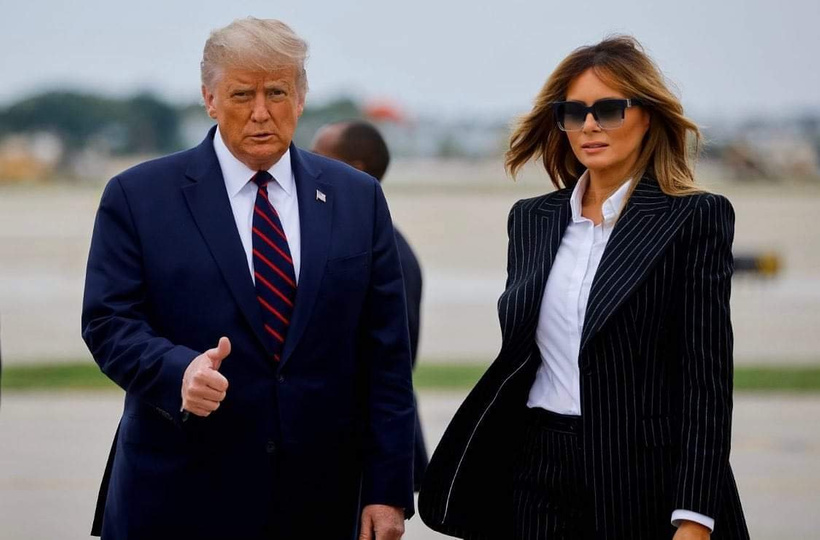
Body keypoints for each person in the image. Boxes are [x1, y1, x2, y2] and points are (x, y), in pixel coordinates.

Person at [82, 18, 414, 540]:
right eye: (242, 94)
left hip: (319, 502)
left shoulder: (358, 197)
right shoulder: (138, 196)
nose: (261, 112)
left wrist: (388, 488)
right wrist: (178, 373)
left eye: (276, 92)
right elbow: (108, 322)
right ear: (209, 99)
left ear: (300, 98)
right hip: (178, 497)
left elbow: (387, 355)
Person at [419, 36, 749, 540]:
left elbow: (706, 381)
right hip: (538, 468)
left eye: (609, 110)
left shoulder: (694, 217)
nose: (590, 125)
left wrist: (694, 515)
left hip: (644, 478)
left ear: (647, 116)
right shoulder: (531, 219)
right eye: (574, 112)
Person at [312, 120, 429, 491]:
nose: (303, 165)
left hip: (361, 453)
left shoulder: (387, 252)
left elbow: (392, 366)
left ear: (355, 170)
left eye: (318, 156)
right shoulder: (325, 239)